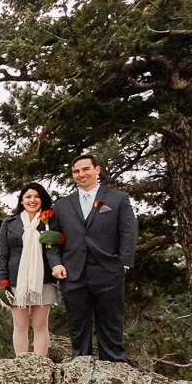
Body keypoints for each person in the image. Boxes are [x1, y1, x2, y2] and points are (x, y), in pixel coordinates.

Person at [51, 153, 138, 361]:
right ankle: (80, 366)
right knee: (78, 324)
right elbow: (51, 240)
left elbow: (128, 232)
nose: (81, 174)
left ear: (97, 170)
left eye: (85, 169)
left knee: (110, 322)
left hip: (108, 270)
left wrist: (123, 263)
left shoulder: (118, 199)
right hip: (73, 272)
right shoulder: (62, 205)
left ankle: (114, 365)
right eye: (76, 171)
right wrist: (56, 264)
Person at [0, 183, 61, 356]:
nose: (32, 200)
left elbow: (57, 249)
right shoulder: (9, 223)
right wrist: (2, 284)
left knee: (40, 325)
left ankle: (40, 364)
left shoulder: (50, 220)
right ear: (22, 200)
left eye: (37, 196)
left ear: (42, 199)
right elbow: (3, 255)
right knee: (20, 325)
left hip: (43, 279)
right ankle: (22, 365)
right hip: (16, 280)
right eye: (28, 197)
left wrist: (59, 238)